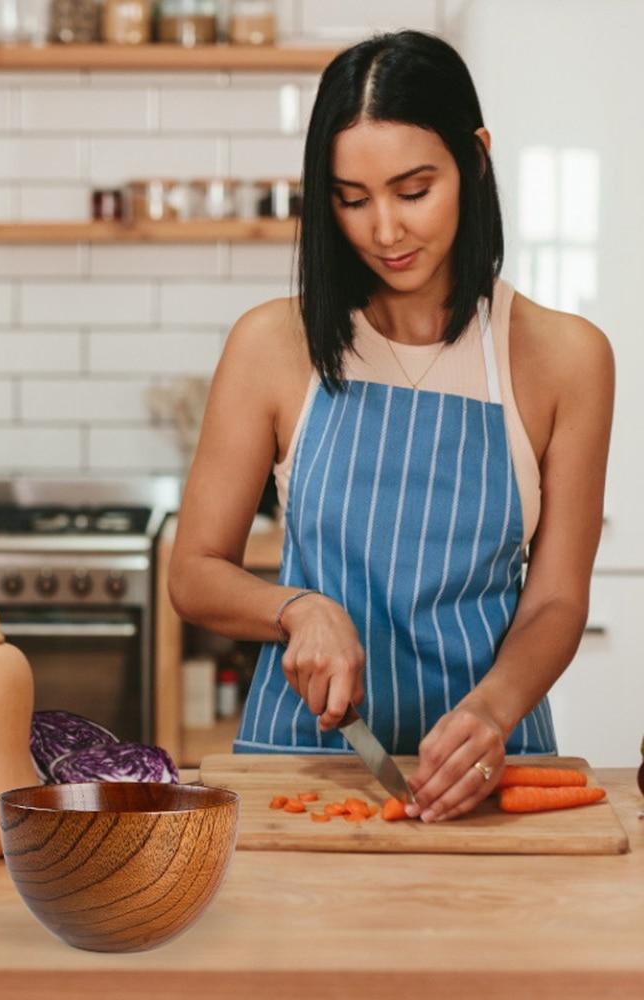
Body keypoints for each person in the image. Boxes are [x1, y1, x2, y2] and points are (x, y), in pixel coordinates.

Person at [168, 30, 614, 824]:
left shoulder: (565, 359)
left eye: (413, 191)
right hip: (300, 771)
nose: (384, 231)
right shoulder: (272, 344)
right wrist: (297, 607)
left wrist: (492, 713)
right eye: (351, 198)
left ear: (474, 158)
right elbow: (195, 571)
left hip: (493, 770)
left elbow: (555, 601)